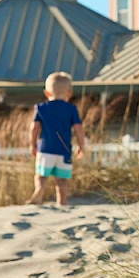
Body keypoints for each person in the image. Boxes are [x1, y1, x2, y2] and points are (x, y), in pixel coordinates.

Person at [28, 72, 86, 206]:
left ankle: (39, 189)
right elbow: (79, 130)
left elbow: (34, 128)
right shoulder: (71, 110)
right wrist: (81, 147)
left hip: (45, 148)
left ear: (46, 93)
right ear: (69, 93)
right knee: (62, 180)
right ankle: (62, 202)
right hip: (64, 150)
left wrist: (32, 144)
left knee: (41, 175)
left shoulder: (41, 108)